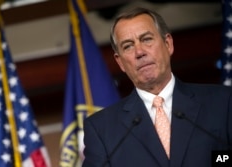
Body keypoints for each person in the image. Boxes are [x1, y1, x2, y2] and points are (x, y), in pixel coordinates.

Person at [82, 7, 232, 167]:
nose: (139, 52)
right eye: (128, 46)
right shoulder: (101, 129)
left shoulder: (223, 102)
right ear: (120, 62)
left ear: (168, 44)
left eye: (146, 39)